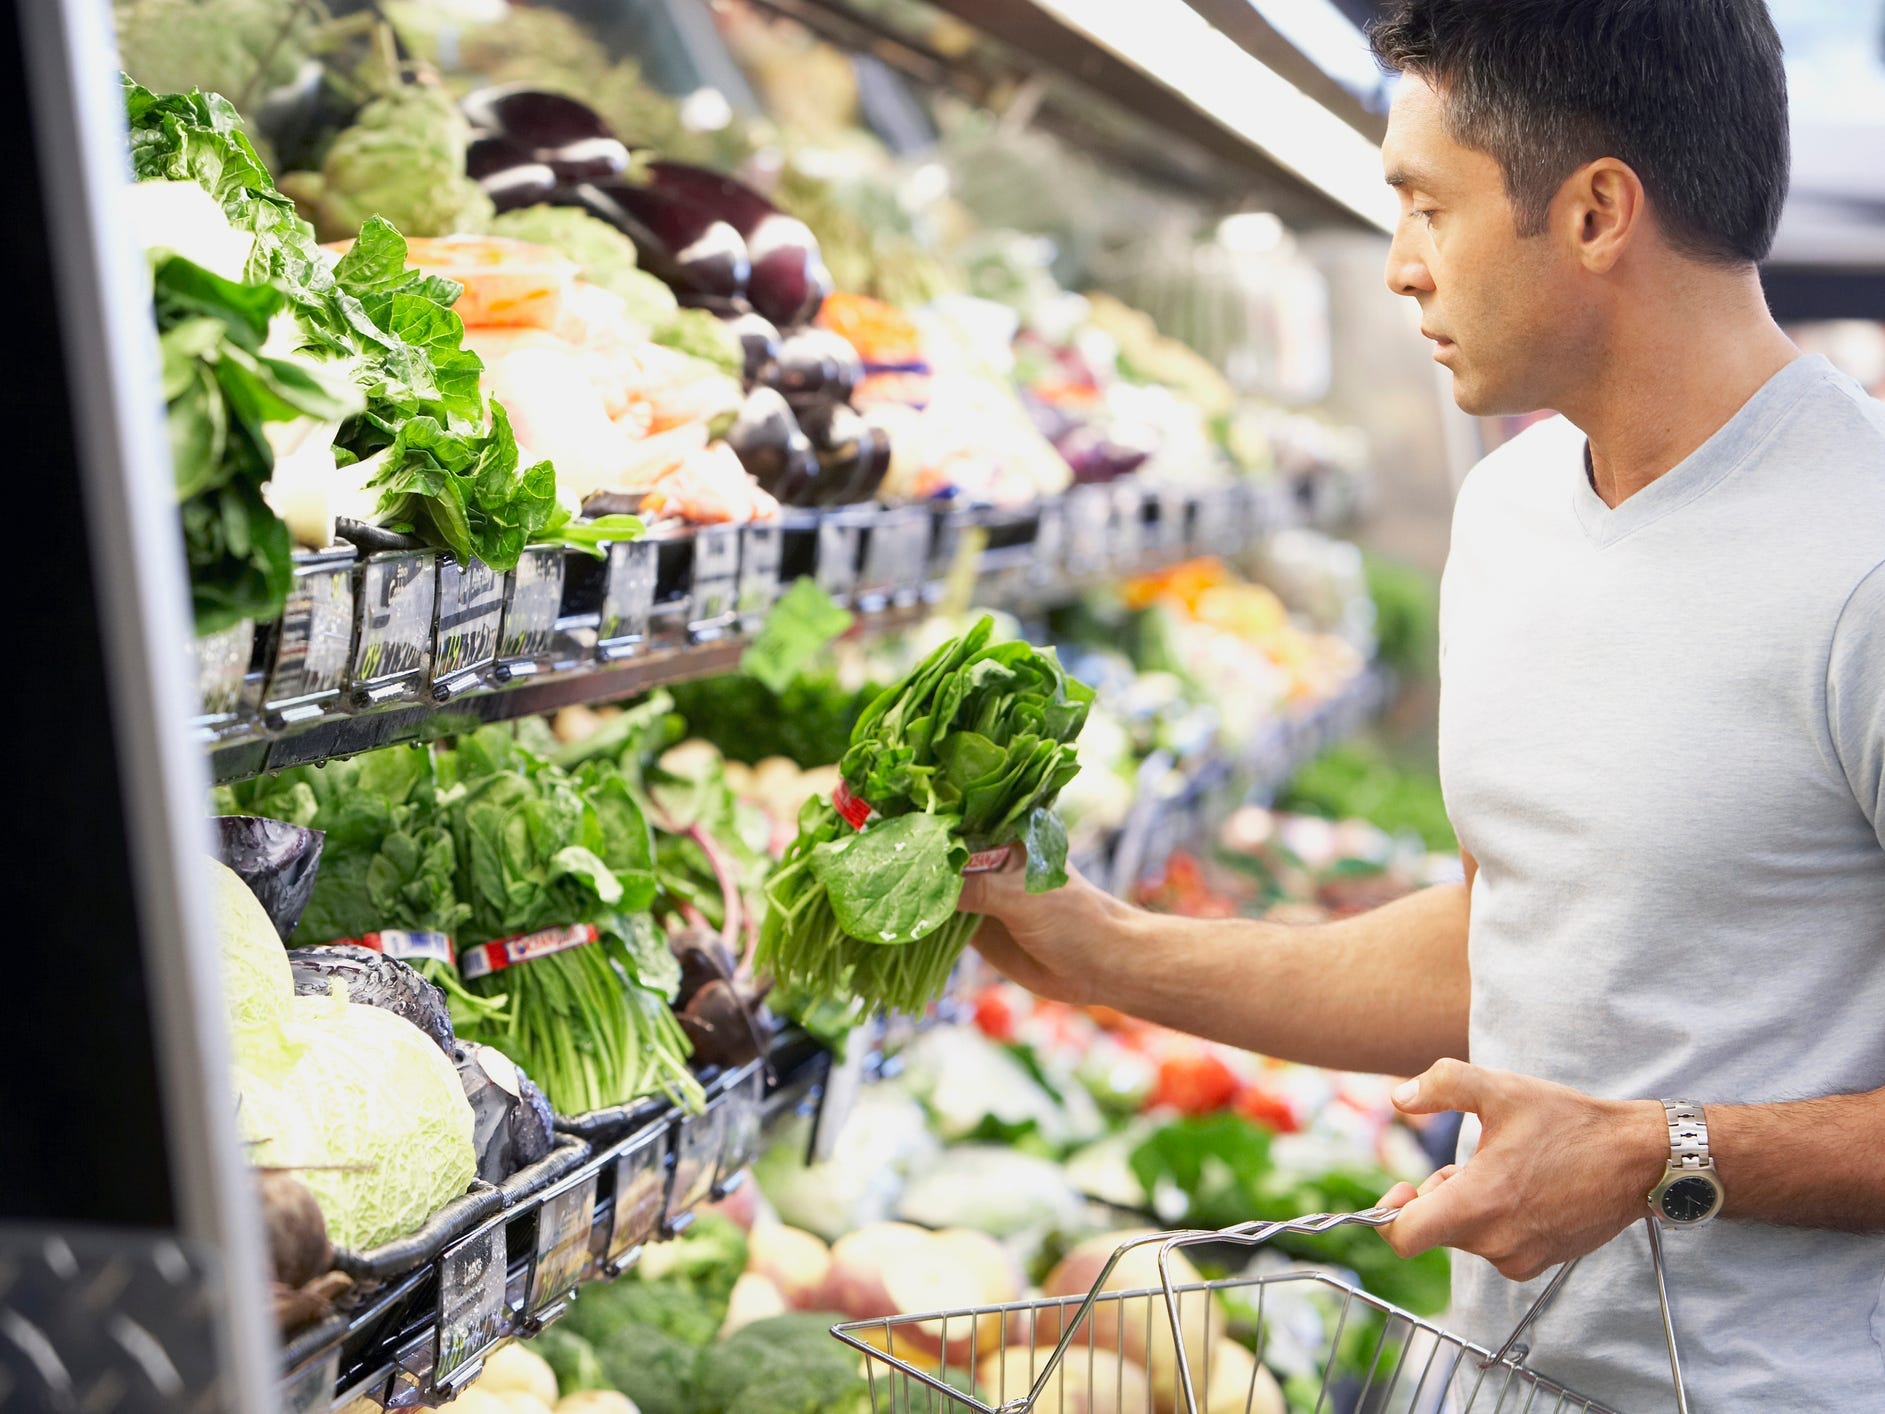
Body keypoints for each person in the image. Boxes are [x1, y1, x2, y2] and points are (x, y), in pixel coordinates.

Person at [958, 1, 1885, 1406]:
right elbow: (1502, 947)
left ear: (1592, 214)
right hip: (1483, 1374)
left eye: (1423, 205)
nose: (1397, 269)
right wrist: (1103, 951)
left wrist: (1660, 1152)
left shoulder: (1862, 558)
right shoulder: (1508, 511)